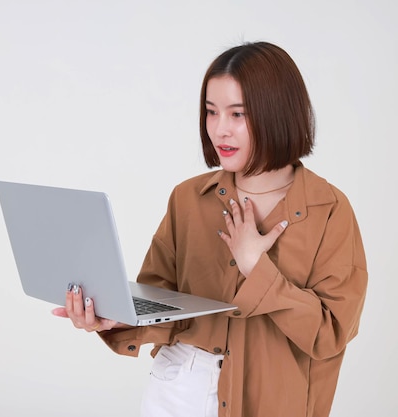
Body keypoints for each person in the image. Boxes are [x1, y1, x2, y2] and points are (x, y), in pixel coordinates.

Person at [52, 41, 367, 417]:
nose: (220, 129)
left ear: (277, 113)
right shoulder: (188, 198)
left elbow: (332, 333)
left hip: (270, 401)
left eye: (238, 114)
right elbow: (165, 304)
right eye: (211, 112)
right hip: (177, 388)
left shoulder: (328, 210)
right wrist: (118, 316)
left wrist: (258, 268)